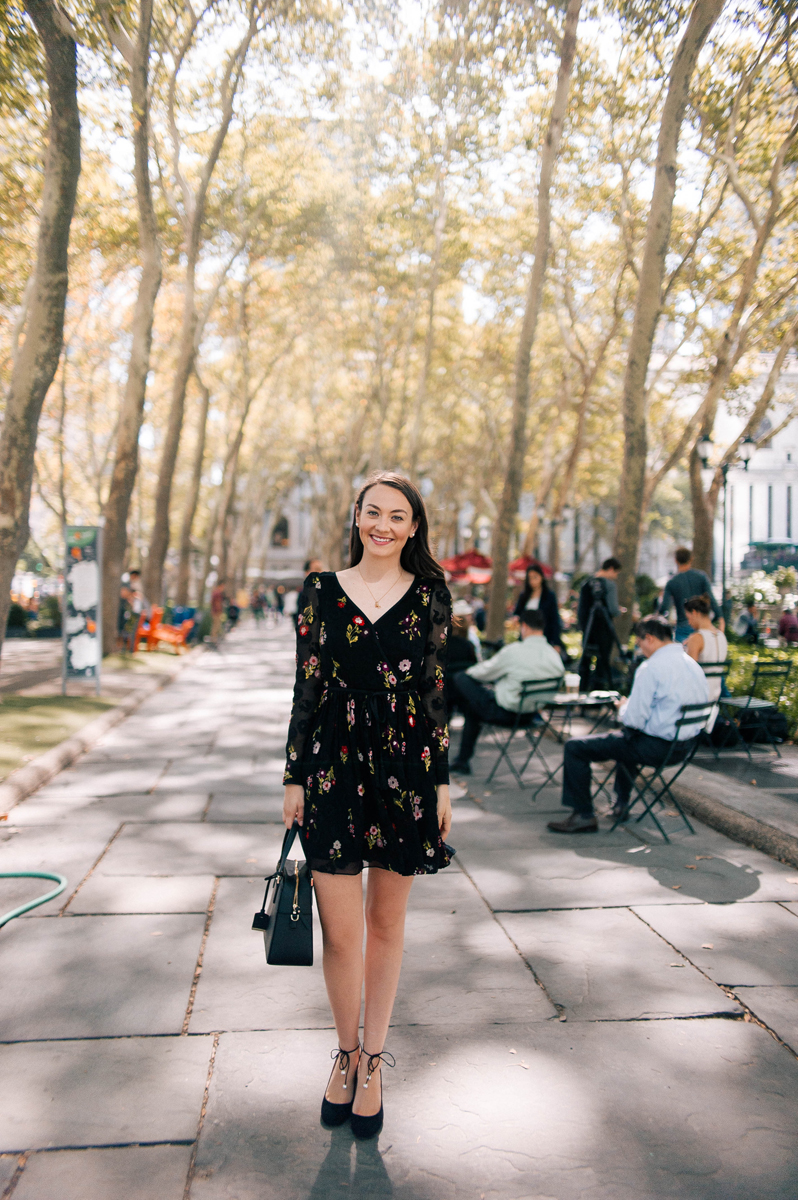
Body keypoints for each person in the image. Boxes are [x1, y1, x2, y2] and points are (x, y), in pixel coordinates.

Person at [282, 471, 452, 1140]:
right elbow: (306, 685)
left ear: (414, 528)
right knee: (341, 932)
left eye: (398, 515)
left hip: (406, 772)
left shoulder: (431, 595)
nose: (383, 524)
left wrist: (441, 784)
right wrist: (293, 774)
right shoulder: (321, 591)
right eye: (373, 511)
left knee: (387, 926)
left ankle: (374, 1062)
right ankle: (345, 1056)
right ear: (357, 517)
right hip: (331, 768)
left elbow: (437, 694)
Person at [548, 616, 709, 833]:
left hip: (656, 748)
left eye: (639, 642)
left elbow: (634, 719)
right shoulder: (693, 665)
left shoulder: (651, 667)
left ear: (649, 638)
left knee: (576, 747)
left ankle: (583, 814)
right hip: (686, 747)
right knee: (626, 741)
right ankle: (620, 804)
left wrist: (623, 707)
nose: (639, 648)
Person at [449, 610, 565, 774]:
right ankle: (461, 760)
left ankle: (461, 760)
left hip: (507, 713)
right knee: (471, 707)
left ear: (523, 626)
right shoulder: (554, 655)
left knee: (461, 678)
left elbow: (480, 673)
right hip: (533, 714)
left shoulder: (514, 651)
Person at [659, 547, 723, 642]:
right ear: (691, 559)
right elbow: (711, 598)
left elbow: (665, 607)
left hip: (682, 627)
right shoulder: (701, 576)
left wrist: (657, 617)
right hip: (702, 626)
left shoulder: (672, 582)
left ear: (675, 560)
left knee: (683, 655)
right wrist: (720, 617)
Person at [577, 557, 622, 691]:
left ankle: (582, 694)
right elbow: (614, 609)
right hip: (604, 630)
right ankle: (599, 697)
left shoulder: (586, 583)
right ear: (611, 569)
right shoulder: (609, 585)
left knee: (585, 663)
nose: (615, 577)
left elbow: (581, 610)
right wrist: (619, 611)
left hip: (588, 631)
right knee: (602, 664)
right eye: (616, 574)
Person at [513, 562, 565, 658]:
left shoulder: (549, 596)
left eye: (535, 577)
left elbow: (554, 619)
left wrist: (556, 642)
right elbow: (517, 612)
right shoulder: (524, 596)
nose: (532, 581)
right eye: (530, 578)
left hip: (545, 637)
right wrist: (516, 618)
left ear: (541, 577)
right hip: (526, 636)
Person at [683, 593, 728, 703]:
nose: (689, 623)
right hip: (714, 699)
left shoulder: (696, 638)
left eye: (688, 618)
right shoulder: (721, 636)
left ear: (694, 613)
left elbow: (689, 673)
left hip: (697, 699)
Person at [446, 599, 479, 714]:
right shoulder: (468, 645)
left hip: (444, 690)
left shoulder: (442, 644)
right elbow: (474, 666)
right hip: (463, 690)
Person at [209, 578, 226, 647]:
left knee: (217, 625)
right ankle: (213, 640)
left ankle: (215, 639)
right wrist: (218, 610)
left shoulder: (216, 592)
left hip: (216, 611)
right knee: (215, 626)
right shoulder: (217, 593)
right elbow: (216, 603)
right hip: (216, 612)